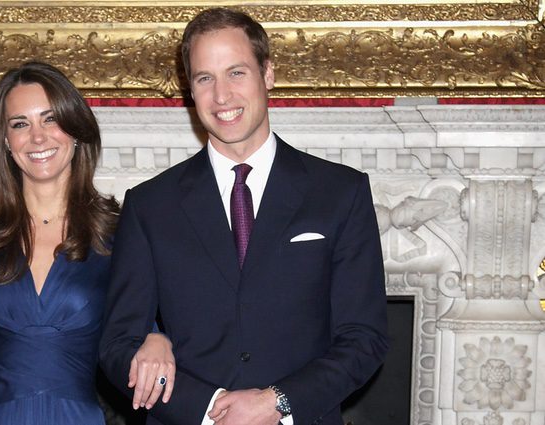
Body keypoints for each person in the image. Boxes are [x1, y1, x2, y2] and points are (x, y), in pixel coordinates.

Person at [99, 8, 389, 425]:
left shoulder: (341, 193)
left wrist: (277, 402)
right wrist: (208, 405)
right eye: (205, 78)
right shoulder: (149, 205)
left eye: (236, 73)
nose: (222, 96)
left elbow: (365, 339)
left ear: (267, 74)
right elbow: (117, 345)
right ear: (190, 90)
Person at [0, 61, 174, 425]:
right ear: (6, 142)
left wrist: (160, 340)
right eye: (20, 124)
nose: (37, 137)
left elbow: (142, 330)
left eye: (50, 118)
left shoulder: (119, 233)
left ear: (75, 130)